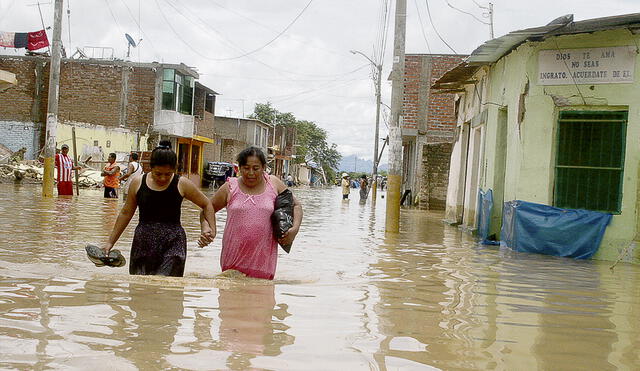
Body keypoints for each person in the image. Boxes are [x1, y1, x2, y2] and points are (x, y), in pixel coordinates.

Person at [102, 140, 216, 277]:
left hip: (173, 242)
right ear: (151, 168)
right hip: (143, 241)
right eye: (158, 174)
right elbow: (126, 213)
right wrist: (110, 242)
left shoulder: (182, 184)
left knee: (167, 288)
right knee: (139, 288)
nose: (163, 178)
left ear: (175, 169)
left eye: (168, 174)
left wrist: (211, 229)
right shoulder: (138, 183)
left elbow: (207, 204)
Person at [198, 146, 303, 280]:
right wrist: (207, 228)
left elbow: (297, 205)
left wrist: (294, 230)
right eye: (246, 168)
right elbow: (207, 209)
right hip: (232, 259)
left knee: (263, 298)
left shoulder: (273, 184)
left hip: (264, 261)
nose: (251, 173)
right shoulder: (230, 187)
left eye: (256, 168)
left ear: (264, 167)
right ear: (239, 168)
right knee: (229, 298)